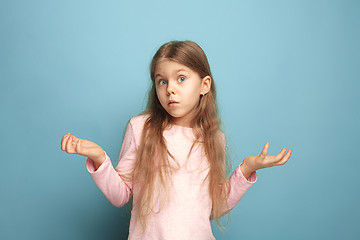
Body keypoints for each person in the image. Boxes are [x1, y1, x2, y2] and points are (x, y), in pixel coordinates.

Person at [60, 40, 292, 239]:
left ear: (204, 85)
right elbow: (120, 195)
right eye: (163, 81)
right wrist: (100, 159)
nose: (170, 88)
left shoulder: (214, 139)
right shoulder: (140, 128)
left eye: (181, 78)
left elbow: (215, 207)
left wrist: (246, 169)